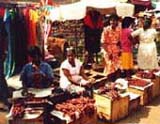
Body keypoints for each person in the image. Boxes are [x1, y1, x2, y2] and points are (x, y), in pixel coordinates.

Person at [101, 14, 121, 80]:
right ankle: (109, 82)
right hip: (108, 50)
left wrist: (120, 50)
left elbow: (120, 41)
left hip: (116, 50)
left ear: (117, 21)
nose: (113, 22)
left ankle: (116, 83)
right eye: (111, 20)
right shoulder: (106, 30)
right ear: (109, 21)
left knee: (118, 67)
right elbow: (103, 43)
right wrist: (108, 53)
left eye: (115, 20)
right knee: (109, 68)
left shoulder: (119, 30)